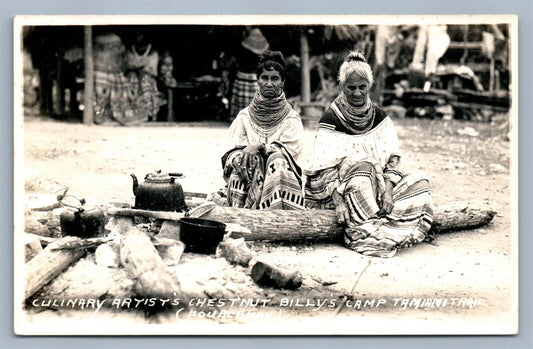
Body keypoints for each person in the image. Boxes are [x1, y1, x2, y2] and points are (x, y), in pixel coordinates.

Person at [305, 52, 434, 257]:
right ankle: (366, 231)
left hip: (378, 188)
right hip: (340, 190)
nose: (357, 93)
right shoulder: (331, 119)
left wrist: (388, 192)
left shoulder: (380, 118)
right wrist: (338, 202)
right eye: (351, 87)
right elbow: (321, 169)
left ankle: (379, 222)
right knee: (363, 171)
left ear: (369, 86)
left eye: (362, 87)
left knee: (420, 184)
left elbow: (392, 160)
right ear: (342, 87)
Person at [221, 50, 305, 210]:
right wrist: (246, 156)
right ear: (257, 81)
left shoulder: (291, 119)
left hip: (281, 183)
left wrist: (260, 148)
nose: (269, 83)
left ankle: (276, 217)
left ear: (283, 82)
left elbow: (290, 153)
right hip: (249, 176)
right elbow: (230, 152)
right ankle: (242, 215)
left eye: (274, 78)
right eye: (264, 78)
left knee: (277, 161)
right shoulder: (244, 117)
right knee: (243, 160)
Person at [229, 28, 270, 119]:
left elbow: (235, 61)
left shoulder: (242, 49)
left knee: (241, 100)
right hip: (255, 77)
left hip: (242, 76)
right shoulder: (264, 52)